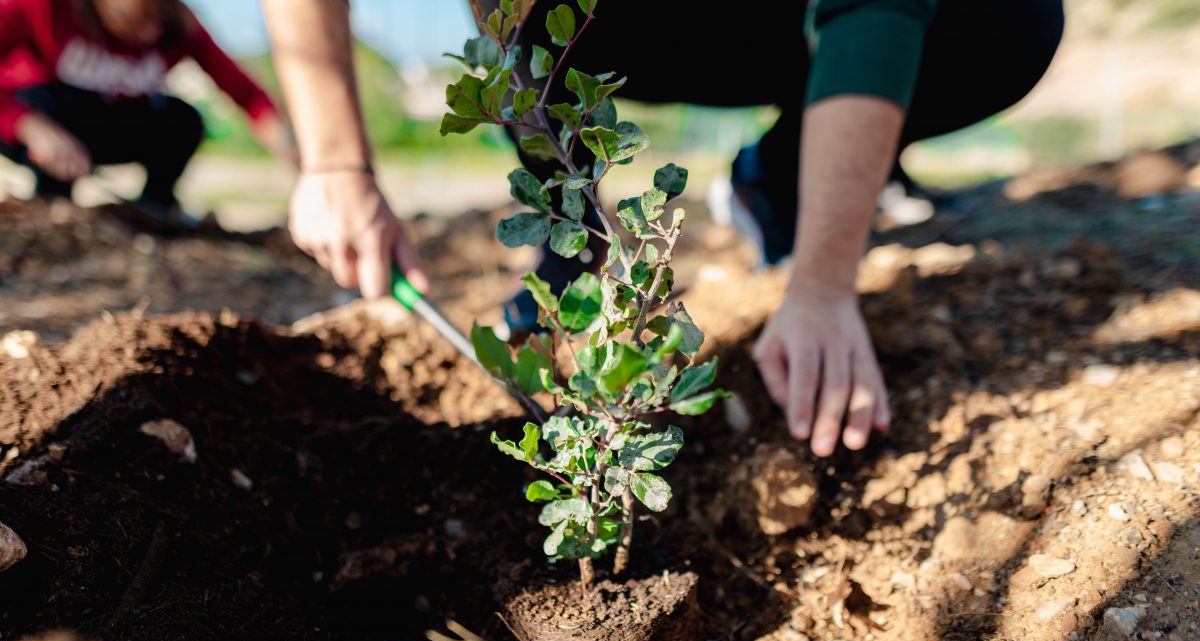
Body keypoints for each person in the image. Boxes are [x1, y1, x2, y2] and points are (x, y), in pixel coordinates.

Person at [260, 0, 1063, 457]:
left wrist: (822, 284)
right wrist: (334, 165)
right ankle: (569, 236)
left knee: (1016, 17)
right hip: (610, 21)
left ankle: (782, 181)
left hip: (787, 21)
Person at [0, 0, 293, 219]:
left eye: (157, 20)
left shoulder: (178, 25)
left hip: (110, 125)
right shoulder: (45, 7)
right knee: (55, 104)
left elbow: (247, 95)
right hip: (35, 126)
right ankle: (53, 205)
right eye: (136, 19)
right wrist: (28, 125)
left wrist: (309, 159)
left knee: (182, 119)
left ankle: (152, 210)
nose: (150, 33)